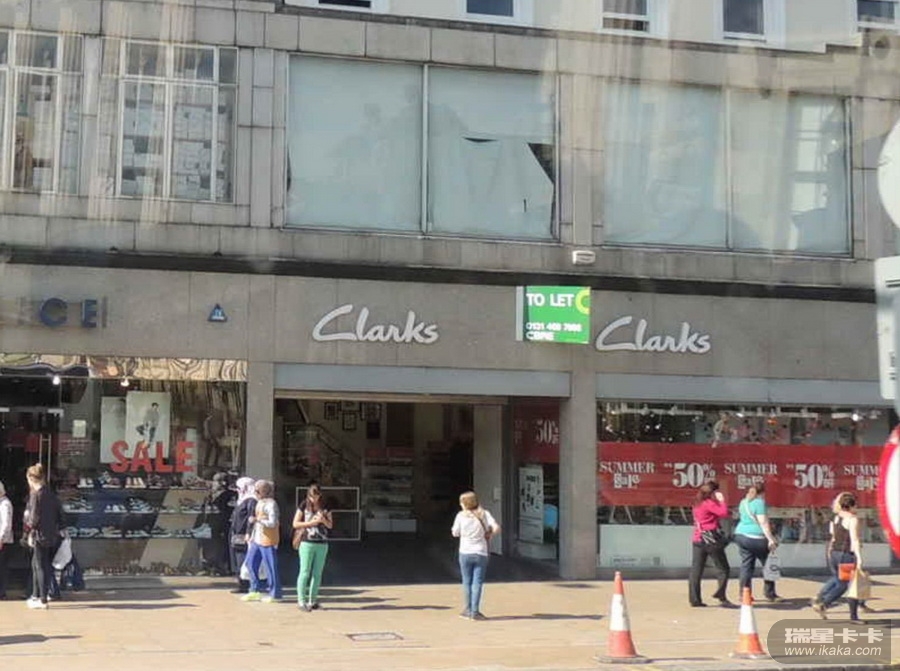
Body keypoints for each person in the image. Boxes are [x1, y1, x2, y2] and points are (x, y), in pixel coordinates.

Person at [812, 492, 863, 622]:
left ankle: (821, 598)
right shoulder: (852, 519)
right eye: (856, 505)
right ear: (851, 506)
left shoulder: (835, 518)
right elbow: (855, 540)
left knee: (838, 579)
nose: (857, 508)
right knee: (845, 584)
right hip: (846, 554)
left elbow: (833, 536)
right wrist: (859, 558)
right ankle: (824, 603)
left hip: (834, 552)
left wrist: (829, 551)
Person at [451, 490, 501, 621]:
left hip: (465, 552)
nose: (460, 504)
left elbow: (455, 533)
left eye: (461, 502)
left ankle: (467, 610)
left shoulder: (460, 516)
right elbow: (497, 528)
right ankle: (475, 612)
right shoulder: (485, 514)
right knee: (477, 582)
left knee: (466, 582)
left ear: (465, 503)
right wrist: (489, 533)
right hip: (481, 553)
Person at [733, 481, 782, 602]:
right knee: (768, 564)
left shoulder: (743, 502)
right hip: (756, 537)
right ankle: (770, 593)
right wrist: (771, 539)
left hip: (741, 535)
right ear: (762, 493)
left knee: (746, 566)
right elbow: (763, 523)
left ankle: (744, 593)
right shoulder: (759, 503)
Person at [688, 480, 732, 608]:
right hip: (710, 538)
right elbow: (723, 513)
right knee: (723, 568)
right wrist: (722, 500)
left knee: (696, 570)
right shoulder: (709, 503)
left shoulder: (697, 504)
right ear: (713, 493)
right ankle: (721, 595)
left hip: (698, 538)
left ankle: (694, 599)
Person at [24, 464, 62, 609]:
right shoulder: (50, 493)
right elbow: (58, 513)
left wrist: (28, 532)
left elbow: (33, 518)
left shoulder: (35, 495)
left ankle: (42, 598)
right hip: (50, 534)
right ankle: (36, 595)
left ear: (31, 478)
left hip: (38, 534)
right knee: (40, 564)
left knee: (39, 566)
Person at [293, 482, 333, 612]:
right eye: (311, 496)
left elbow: (330, 525)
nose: (313, 499)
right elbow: (295, 523)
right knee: (305, 571)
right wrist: (311, 523)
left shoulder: (325, 507)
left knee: (317, 573)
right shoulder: (303, 505)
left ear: (320, 495)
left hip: (322, 542)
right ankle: (301, 601)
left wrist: (323, 520)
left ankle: (312, 600)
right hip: (307, 542)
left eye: (316, 496)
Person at [241, 480, 281, 603]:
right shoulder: (259, 503)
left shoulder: (271, 504)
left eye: (257, 491)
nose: (255, 493)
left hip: (268, 540)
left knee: (270, 567)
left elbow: (273, 523)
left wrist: (258, 520)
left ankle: (274, 594)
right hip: (257, 539)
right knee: (250, 563)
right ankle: (254, 590)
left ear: (264, 491)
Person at [229, 477, 256, 593]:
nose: (238, 490)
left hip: (244, 535)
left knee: (243, 558)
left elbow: (251, 519)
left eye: (240, 488)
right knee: (237, 558)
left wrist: (248, 533)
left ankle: (246, 584)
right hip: (236, 534)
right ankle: (241, 583)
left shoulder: (251, 501)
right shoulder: (242, 500)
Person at [0, 481, 12, 599]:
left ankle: (1, 592)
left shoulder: (5, 504)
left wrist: (1, 538)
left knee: (2, 566)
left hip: (3, 541)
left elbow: (6, 524)